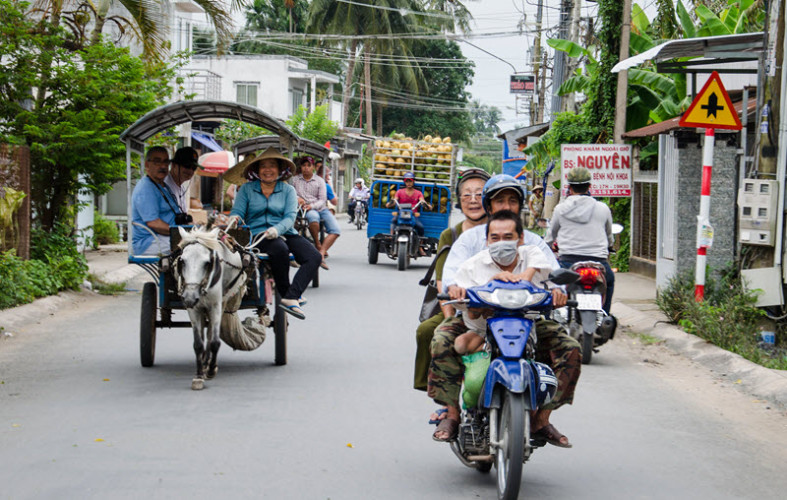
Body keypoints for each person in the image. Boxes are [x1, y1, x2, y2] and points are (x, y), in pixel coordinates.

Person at [429, 174, 581, 447]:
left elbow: (553, 276)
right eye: (500, 200)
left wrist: (558, 293)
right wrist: (456, 291)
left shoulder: (533, 244)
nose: (506, 205)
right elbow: (453, 279)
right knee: (440, 340)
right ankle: (451, 414)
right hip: (477, 317)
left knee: (570, 348)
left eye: (512, 200)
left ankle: (541, 418)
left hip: (529, 319)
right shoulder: (470, 242)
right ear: (488, 205)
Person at [414, 168, 489, 394]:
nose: (473, 200)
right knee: (428, 331)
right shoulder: (451, 235)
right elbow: (442, 279)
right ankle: (446, 403)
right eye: (467, 194)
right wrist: (449, 318)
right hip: (459, 304)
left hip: (501, 305)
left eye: (480, 194)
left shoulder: (505, 228)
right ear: (459, 200)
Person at [228, 147, 321, 320]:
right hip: (258, 235)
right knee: (280, 249)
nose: (267, 170)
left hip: (285, 231)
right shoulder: (247, 189)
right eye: (263, 166)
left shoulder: (288, 190)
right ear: (257, 171)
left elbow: (290, 217)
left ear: (280, 170)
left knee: (314, 256)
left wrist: (276, 230)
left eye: (272, 165)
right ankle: (289, 295)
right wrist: (234, 218)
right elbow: (238, 211)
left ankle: (291, 295)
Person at [452, 211, 551, 356]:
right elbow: (471, 312)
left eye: (508, 237)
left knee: (570, 348)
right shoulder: (471, 267)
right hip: (481, 330)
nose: (501, 243)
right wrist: (489, 285)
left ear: (521, 238)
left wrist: (558, 294)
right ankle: (487, 349)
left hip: (526, 327)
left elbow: (531, 276)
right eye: (495, 238)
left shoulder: (532, 253)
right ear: (487, 241)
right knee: (458, 344)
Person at [545, 166, 615, 313]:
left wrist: (548, 246)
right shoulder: (602, 208)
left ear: (569, 187)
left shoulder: (560, 209)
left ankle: (556, 318)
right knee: (609, 281)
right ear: (589, 186)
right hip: (598, 263)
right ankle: (605, 317)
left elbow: (551, 236)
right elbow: (609, 236)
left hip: (568, 262)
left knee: (551, 285)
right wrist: (610, 246)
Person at [292, 156, 340, 268]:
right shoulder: (295, 180)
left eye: (309, 165)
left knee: (336, 230)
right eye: (304, 165)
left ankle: (321, 252)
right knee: (313, 218)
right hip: (305, 209)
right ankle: (317, 242)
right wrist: (298, 199)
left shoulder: (320, 181)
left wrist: (311, 206)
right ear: (301, 167)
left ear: (313, 167)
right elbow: (292, 193)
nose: (306, 168)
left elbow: (323, 199)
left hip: (321, 208)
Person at [130, 146, 179, 256]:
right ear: (147, 165)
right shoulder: (146, 188)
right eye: (157, 162)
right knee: (191, 246)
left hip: (164, 237)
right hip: (149, 241)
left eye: (166, 162)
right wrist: (179, 232)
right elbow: (153, 223)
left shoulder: (161, 186)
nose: (163, 166)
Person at [386, 172, 431, 237]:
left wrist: (427, 206)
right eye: (407, 181)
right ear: (404, 182)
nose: (408, 183)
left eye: (410, 181)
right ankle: (392, 236)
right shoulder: (399, 191)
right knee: (393, 221)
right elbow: (395, 200)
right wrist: (390, 204)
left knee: (420, 227)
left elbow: (422, 201)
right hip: (401, 214)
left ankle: (421, 244)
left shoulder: (418, 193)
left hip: (413, 215)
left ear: (413, 181)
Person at [165, 146, 202, 212]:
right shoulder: (164, 186)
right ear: (174, 165)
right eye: (187, 166)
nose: (190, 171)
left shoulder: (182, 188)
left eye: (194, 168)